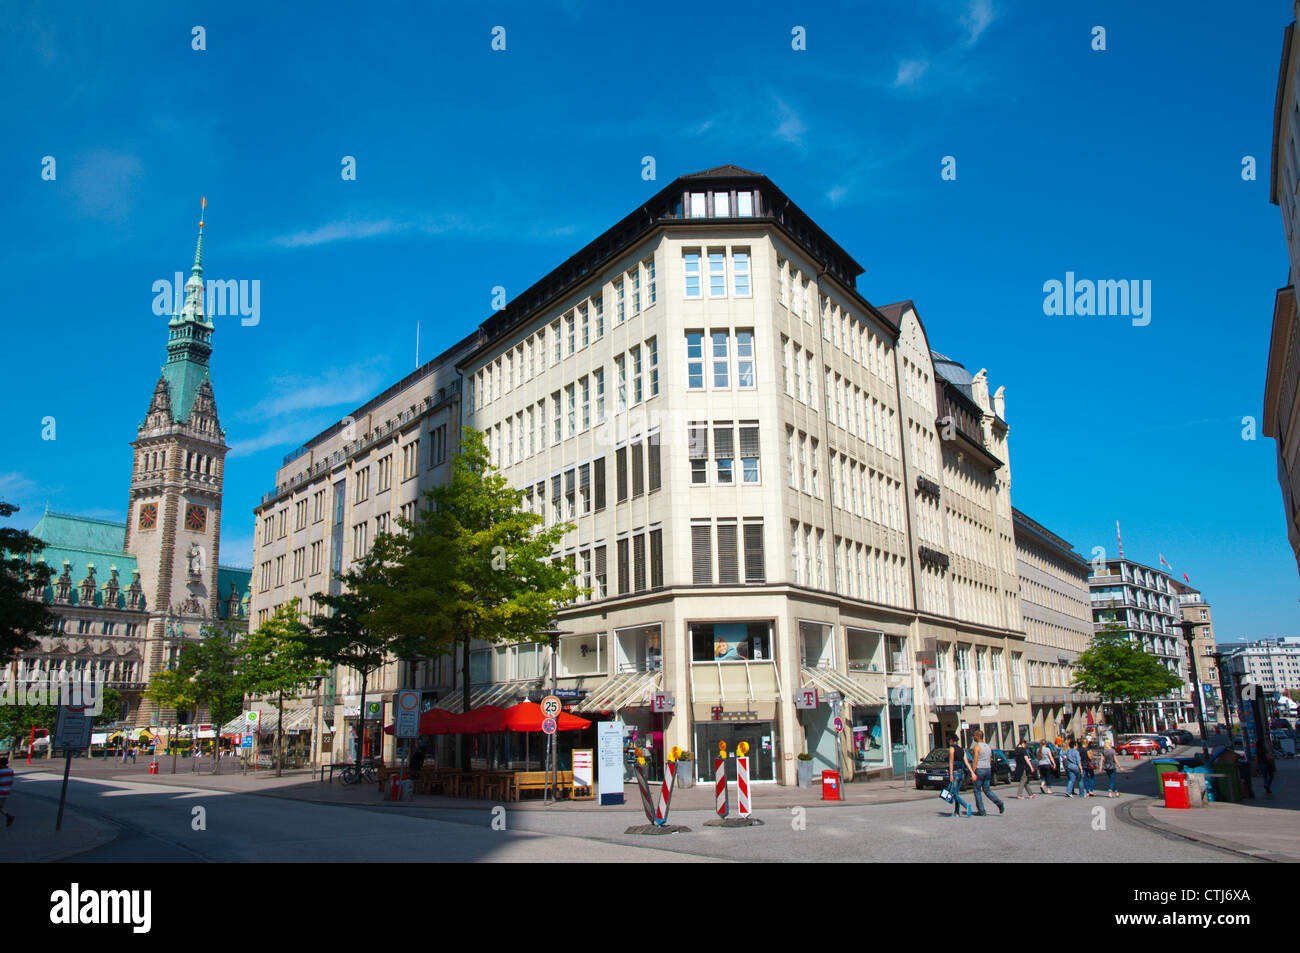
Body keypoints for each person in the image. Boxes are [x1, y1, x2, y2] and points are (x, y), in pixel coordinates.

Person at [969, 729, 1004, 815]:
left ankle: (981, 811)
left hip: (979, 769)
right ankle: (998, 803)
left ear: (978, 736)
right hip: (988, 769)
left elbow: (975, 761)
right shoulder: (988, 746)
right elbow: (990, 758)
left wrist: (972, 772)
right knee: (987, 790)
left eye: (974, 735)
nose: (973, 737)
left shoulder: (977, 747)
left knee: (977, 790)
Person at [946, 733, 974, 818]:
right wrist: (972, 772)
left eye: (948, 741)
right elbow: (966, 762)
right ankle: (956, 812)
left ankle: (966, 805)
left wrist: (950, 775)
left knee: (954, 794)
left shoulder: (952, 749)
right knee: (956, 793)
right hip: (961, 772)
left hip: (955, 773)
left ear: (951, 740)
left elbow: (951, 762)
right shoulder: (962, 750)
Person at [0, 756, 13, 827]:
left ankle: (9, 816)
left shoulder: (1, 771)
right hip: (7, 790)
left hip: (1, 791)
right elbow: (11, 781)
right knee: (1, 806)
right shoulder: (10, 770)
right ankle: (8, 816)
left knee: (0, 807)